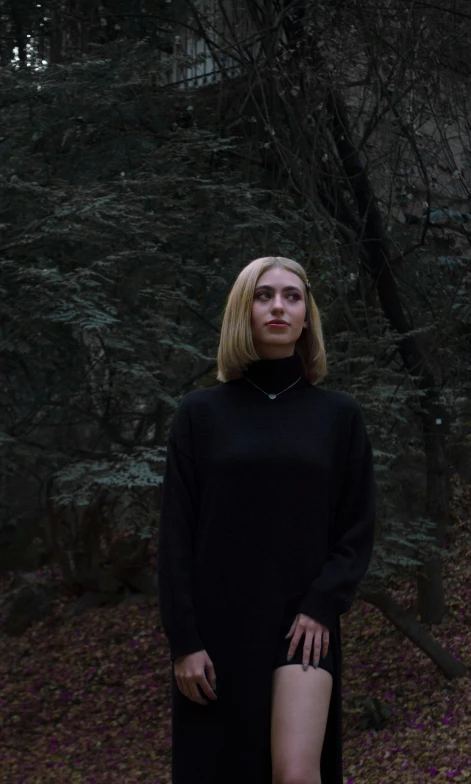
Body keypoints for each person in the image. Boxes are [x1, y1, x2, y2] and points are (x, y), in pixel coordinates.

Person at [157, 256, 375, 784]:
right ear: (243, 311)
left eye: (292, 296)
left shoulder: (338, 416)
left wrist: (323, 604)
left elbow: (358, 526)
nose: (279, 305)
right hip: (217, 628)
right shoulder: (199, 414)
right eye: (264, 295)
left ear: (307, 318)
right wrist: (183, 640)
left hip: (303, 626)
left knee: (298, 774)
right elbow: (175, 537)